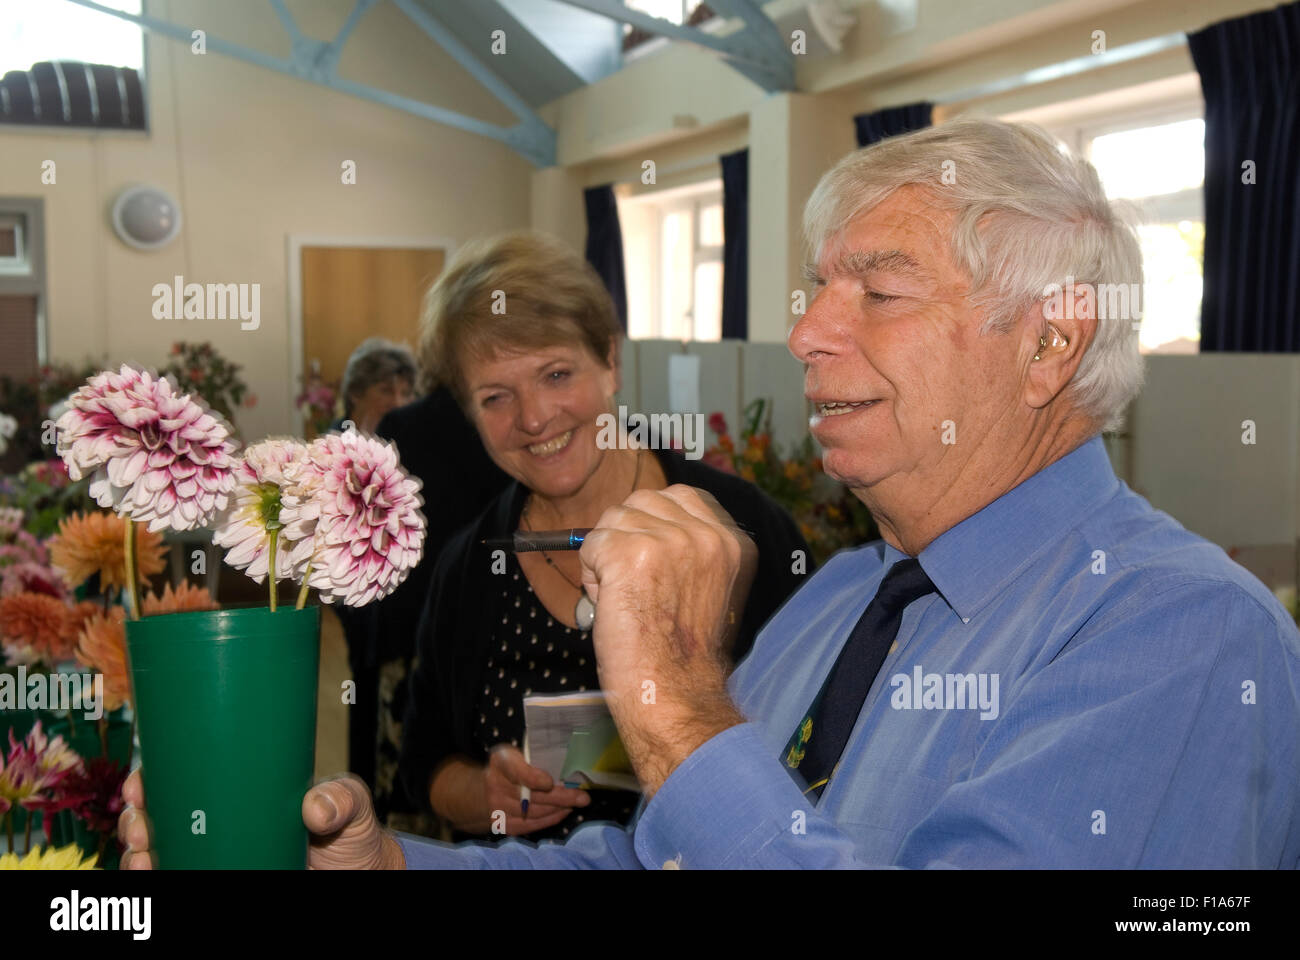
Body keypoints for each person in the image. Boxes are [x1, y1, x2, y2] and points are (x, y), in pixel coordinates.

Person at [121, 118, 1300, 869]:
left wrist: (679, 710)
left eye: (876, 293)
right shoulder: (843, 600)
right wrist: (386, 868)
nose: (803, 332)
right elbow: (638, 865)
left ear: (1051, 344)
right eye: (812, 290)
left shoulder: (1180, 636)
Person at [395, 230, 810, 842]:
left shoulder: (735, 528)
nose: (534, 417)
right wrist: (485, 794)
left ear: (611, 362)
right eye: (496, 397)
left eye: (557, 374)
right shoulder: (470, 568)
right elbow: (424, 763)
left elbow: (823, 732)